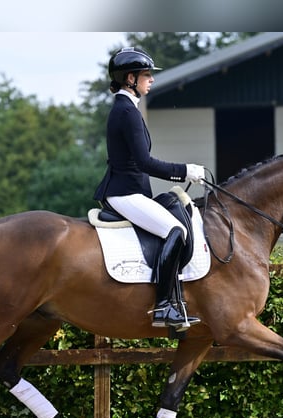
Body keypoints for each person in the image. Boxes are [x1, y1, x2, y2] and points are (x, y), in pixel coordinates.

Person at [94, 47, 204, 331]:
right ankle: (164, 307)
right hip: (124, 192)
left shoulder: (128, 107)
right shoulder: (126, 111)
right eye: (146, 75)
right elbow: (144, 162)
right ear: (130, 78)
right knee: (176, 232)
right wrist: (184, 171)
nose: (151, 80)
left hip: (130, 190)